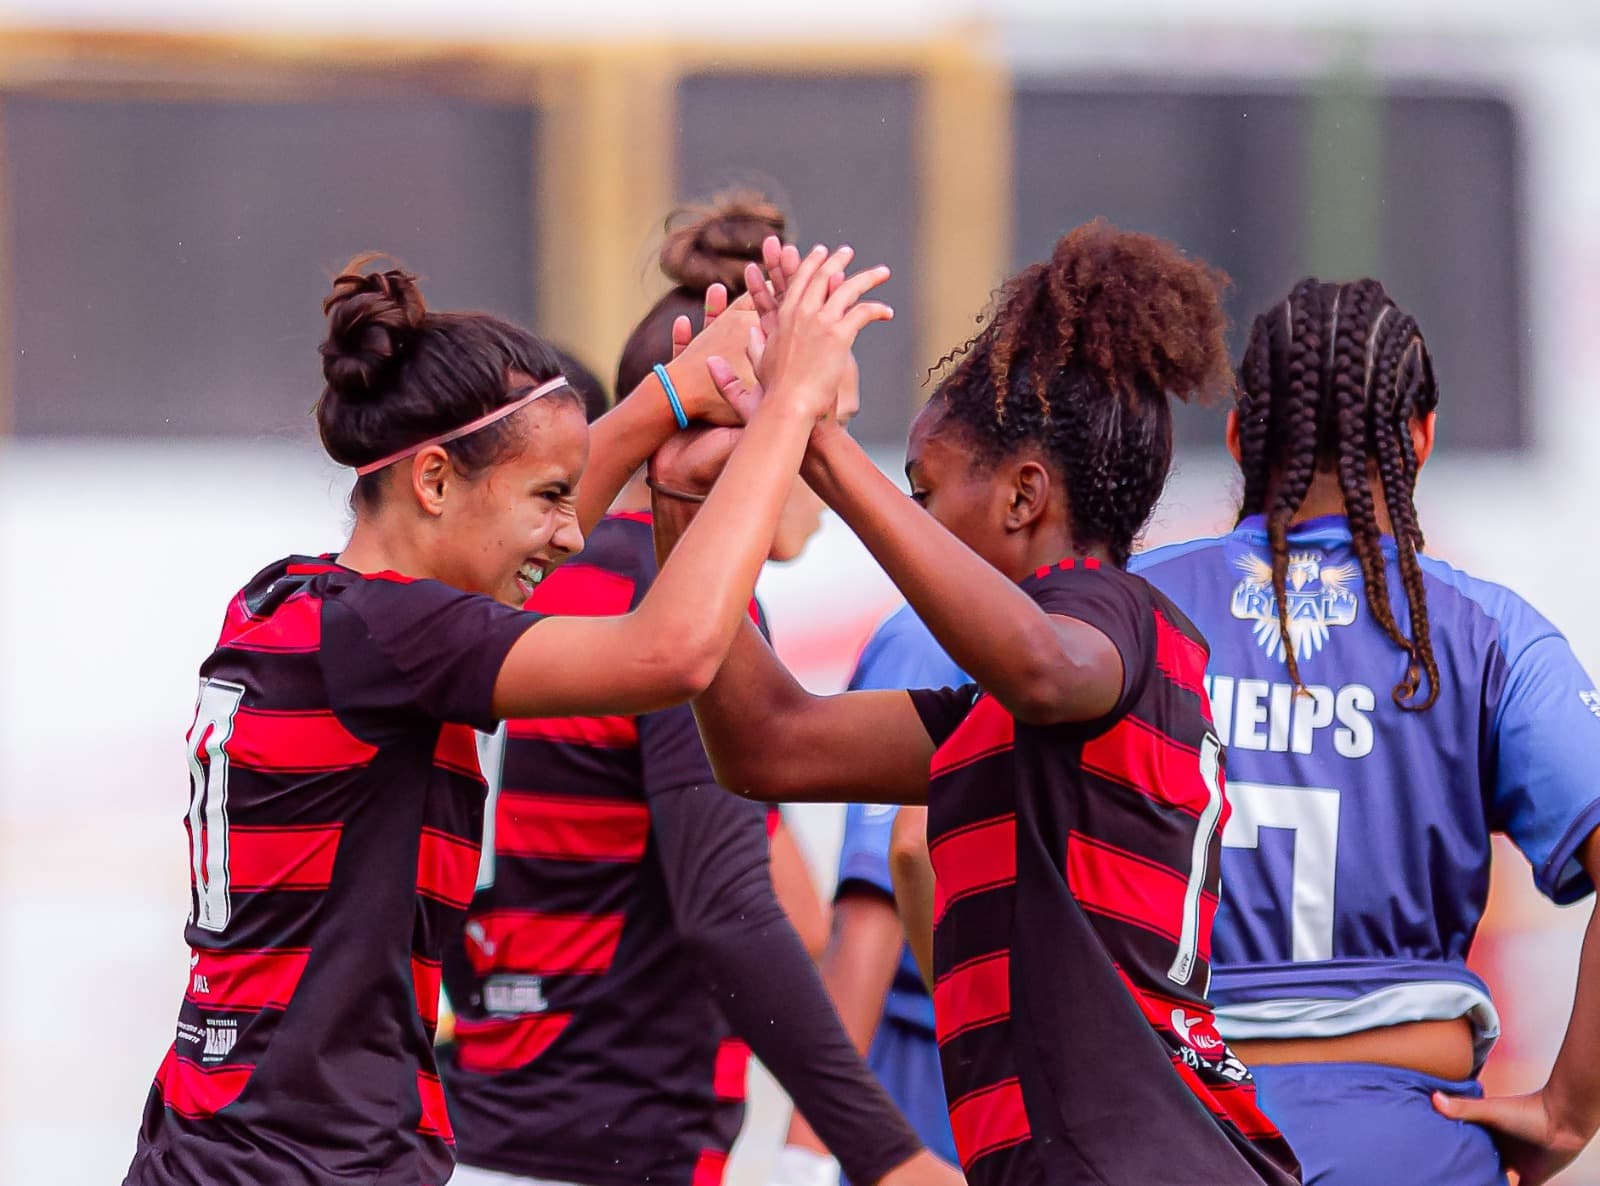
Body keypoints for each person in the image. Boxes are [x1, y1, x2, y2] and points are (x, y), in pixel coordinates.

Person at [122, 246, 891, 1186]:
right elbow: (676, 652)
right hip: (311, 1160)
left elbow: (522, 526)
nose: (571, 535)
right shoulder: (401, 639)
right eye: (549, 499)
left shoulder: (286, 604)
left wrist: (671, 395)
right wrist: (786, 415)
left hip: (206, 1142)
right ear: (434, 482)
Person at [651, 222, 1302, 1186]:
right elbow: (766, 746)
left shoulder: (1108, 619)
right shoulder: (1013, 708)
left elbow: (1044, 665)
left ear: (1023, 497)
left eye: (922, 492)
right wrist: (681, 500)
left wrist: (813, 439)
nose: (910, 519)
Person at [439, 205, 948, 1186]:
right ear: (734, 425)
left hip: (480, 1119)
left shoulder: (536, 581)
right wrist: (888, 1156)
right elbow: (733, 913)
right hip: (611, 1145)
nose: (832, 472)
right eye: (826, 428)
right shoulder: (676, 606)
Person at [1125, 278, 1600, 1186]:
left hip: (1167, 1135)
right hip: (1409, 1145)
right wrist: (1570, 1109)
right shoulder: (1490, 636)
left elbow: (934, 838)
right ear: (1420, 438)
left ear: (1240, 438)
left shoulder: (1128, 611)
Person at [779, 607, 965, 1184]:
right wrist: (809, 1149)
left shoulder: (946, 634)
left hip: (980, 1060)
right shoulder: (929, 640)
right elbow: (878, 894)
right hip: (931, 1063)